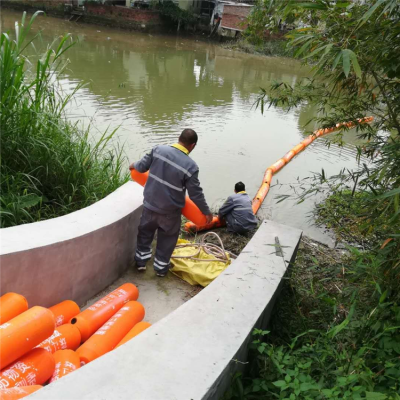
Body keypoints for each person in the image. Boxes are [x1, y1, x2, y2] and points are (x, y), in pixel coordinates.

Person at [129, 129, 213, 277]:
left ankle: (141, 263)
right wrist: (206, 211)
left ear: (178, 138)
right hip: (170, 213)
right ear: (192, 146)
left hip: (150, 206)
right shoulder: (191, 167)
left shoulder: (158, 150)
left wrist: (133, 165)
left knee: (144, 234)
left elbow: (141, 167)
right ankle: (160, 270)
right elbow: (195, 194)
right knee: (167, 240)